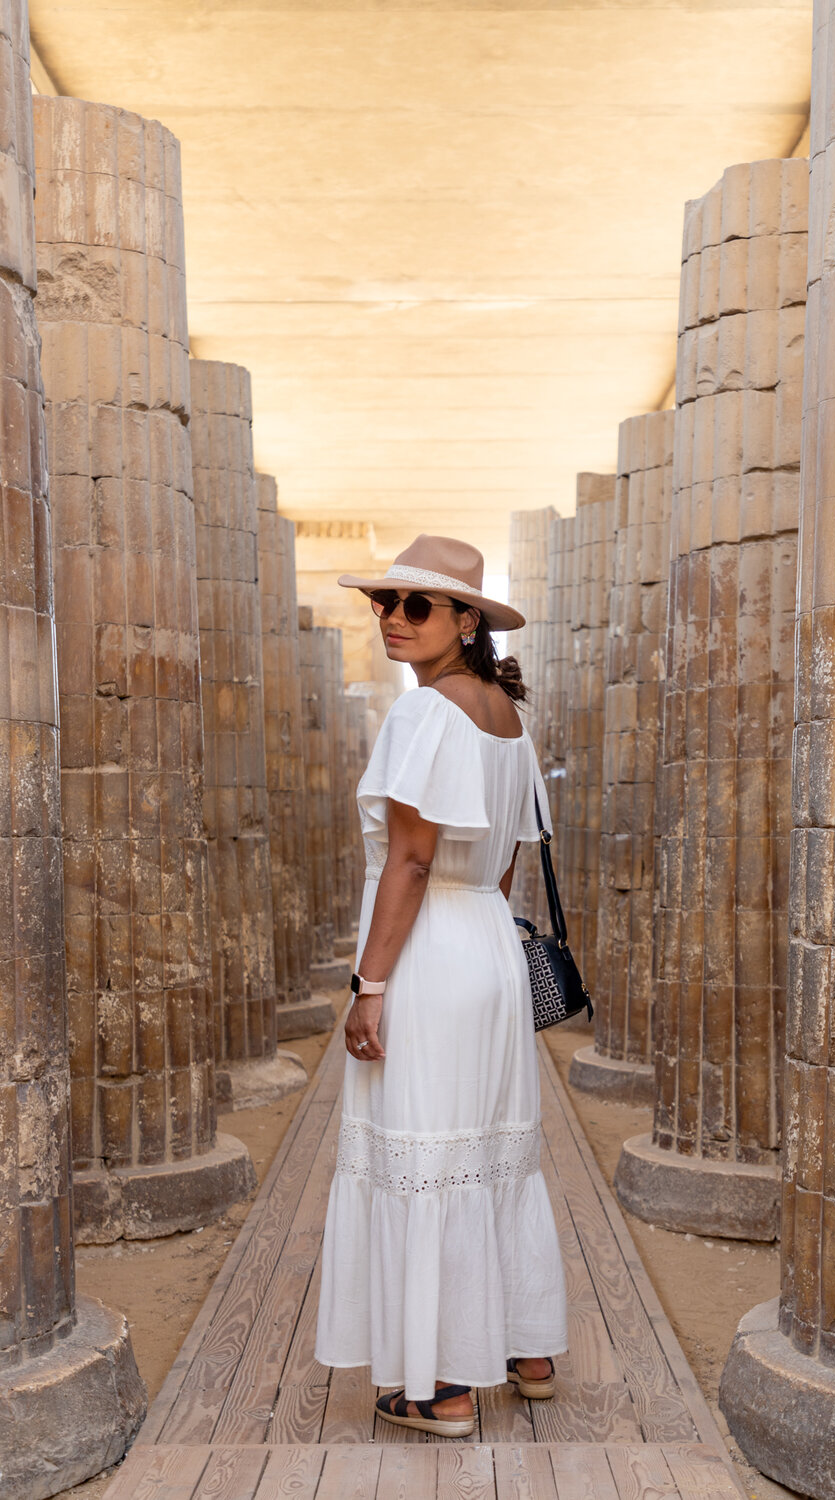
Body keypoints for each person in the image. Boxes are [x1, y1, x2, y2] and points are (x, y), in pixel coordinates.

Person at [314, 534, 568, 1437]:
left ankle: (440, 1390)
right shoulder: (507, 718)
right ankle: (526, 1348)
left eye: (415, 605)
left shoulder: (425, 718)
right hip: (490, 952)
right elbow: (500, 869)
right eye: (383, 602)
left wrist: (369, 983)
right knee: (488, 1147)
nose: (392, 618)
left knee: (423, 1150)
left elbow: (412, 864)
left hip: (429, 956)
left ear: (466, 621)